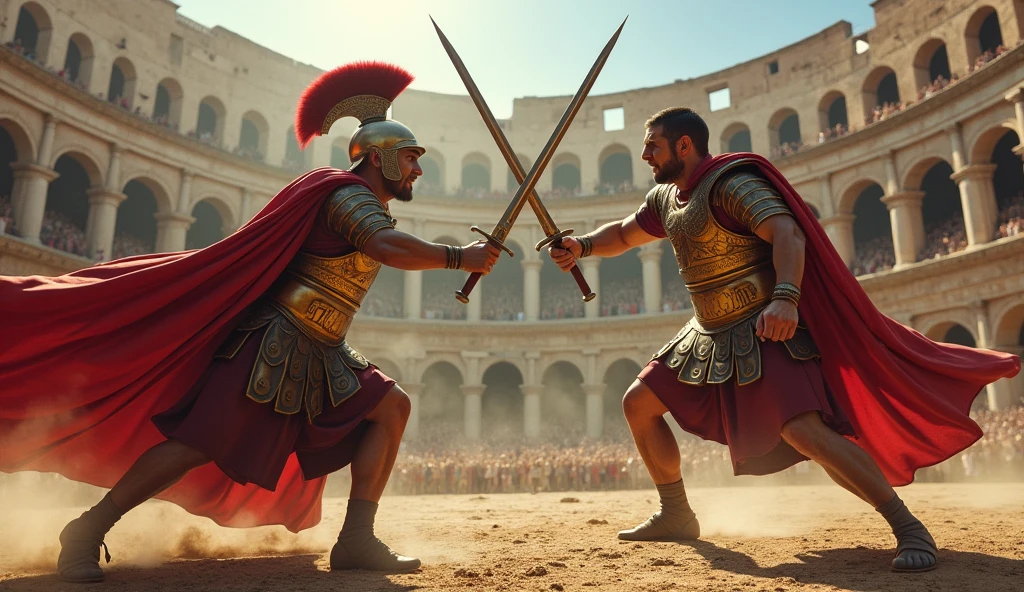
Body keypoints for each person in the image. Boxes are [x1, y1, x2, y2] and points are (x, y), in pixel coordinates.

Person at [0, 62, 499, 583]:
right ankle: (86, 528)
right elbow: (384, 246)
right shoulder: (348, 197)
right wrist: (459, 257)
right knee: (198, 444)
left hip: (325, 346)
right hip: (275, 341)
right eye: (410, 158)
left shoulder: (365, 201)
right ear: (379, 157)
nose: (418, 170)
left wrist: (459, 258)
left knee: (390, 407)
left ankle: (355, 539)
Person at [548, 107, 1020, 573]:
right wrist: (583, 246)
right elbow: (626, 234)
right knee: (639, 403)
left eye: (653, 145)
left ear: (684, 145)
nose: (646, 155)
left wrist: (787, 299)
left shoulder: (731, 183)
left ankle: (908, 526)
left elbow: (788, 235)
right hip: (708, 329)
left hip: (764, 325)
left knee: (803, 431)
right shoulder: (664, 198)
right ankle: (676, 512)